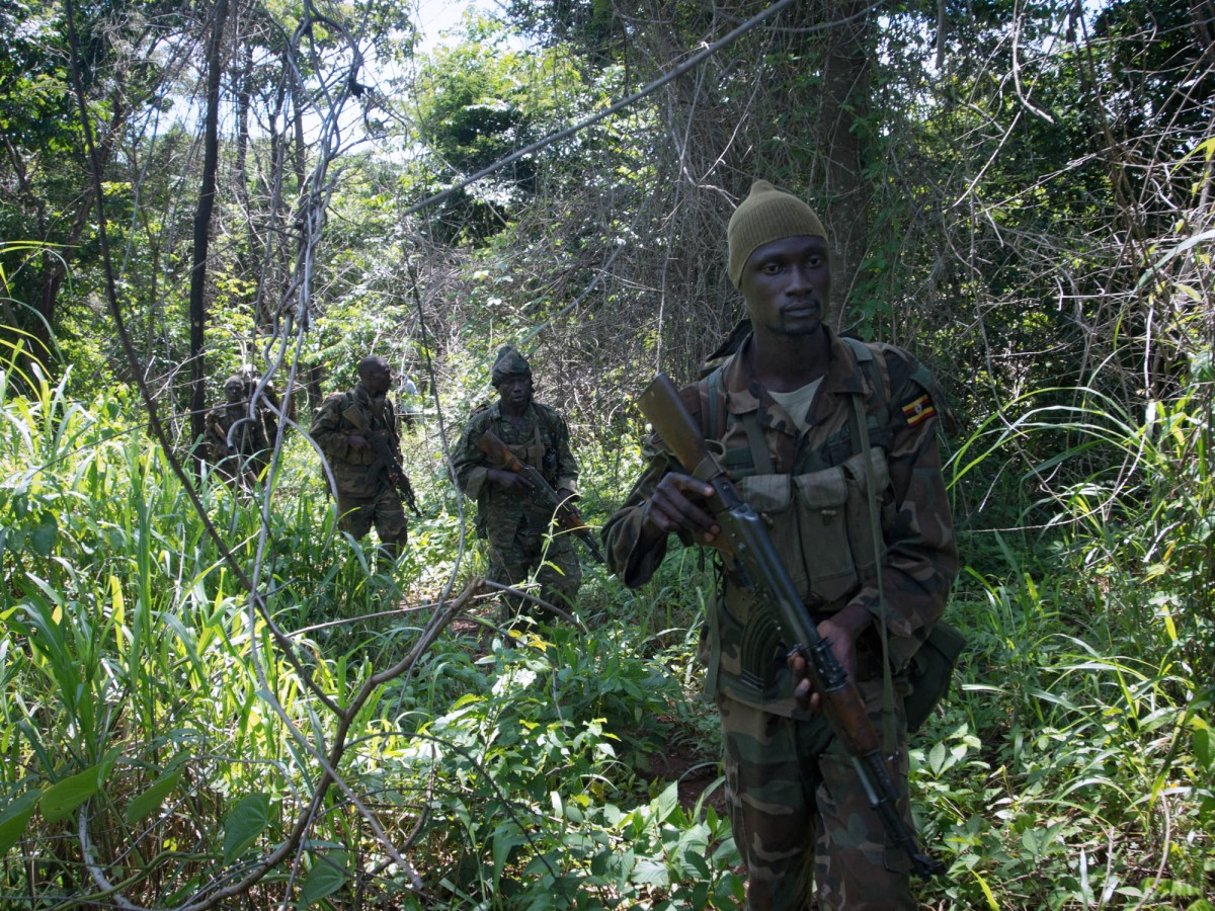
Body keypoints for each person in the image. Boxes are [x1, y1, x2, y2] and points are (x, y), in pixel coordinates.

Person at [602, 180, 959, 910]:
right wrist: (657, 513)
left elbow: (928, 550)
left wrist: (853, 623)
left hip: (860, 679)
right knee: (771, 886)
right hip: (756, 700)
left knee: (877, 888)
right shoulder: (700, 409)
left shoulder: (890, 385)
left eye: (812, 261)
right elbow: (618, 552)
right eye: (772, 267)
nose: (798, 284)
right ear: (743, 283)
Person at [452, 345, 583, 621]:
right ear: (498, 387)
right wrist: (497, 476)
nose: (517, 388)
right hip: (504, 526)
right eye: (509, 382)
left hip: (548, 520)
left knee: (565, 582)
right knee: (512, 595)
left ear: (530, 383)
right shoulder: (483, 425)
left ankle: (548, 634)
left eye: (521, 380)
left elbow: (567, 466)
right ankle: (513, 651)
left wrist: (562, 494)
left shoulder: (549, 420)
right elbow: (459, 470)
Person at [311, 355, 409, 561]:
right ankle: (362, 587)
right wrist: (348, 441)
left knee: (397, 533)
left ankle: (386, 582)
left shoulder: (386, 405)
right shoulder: (340, 403)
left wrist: (395, 467)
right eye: (386, 373)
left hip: (382, 483)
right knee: (353, 546)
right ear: (369, 377)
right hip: (350, 488)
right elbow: (316, 435)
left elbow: (392, 440)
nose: (391, 378)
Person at [204, 372, 278, 486]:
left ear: (243, 390)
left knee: (255, 494)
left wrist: (255, 460)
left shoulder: (252, 411)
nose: (234, 391)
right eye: (230, 389)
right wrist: (224, 450)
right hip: (227, 464)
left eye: (237, 388)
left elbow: (263, 440)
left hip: (251, 462)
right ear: (225, 392)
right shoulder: (215, 415)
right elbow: (210, 440)